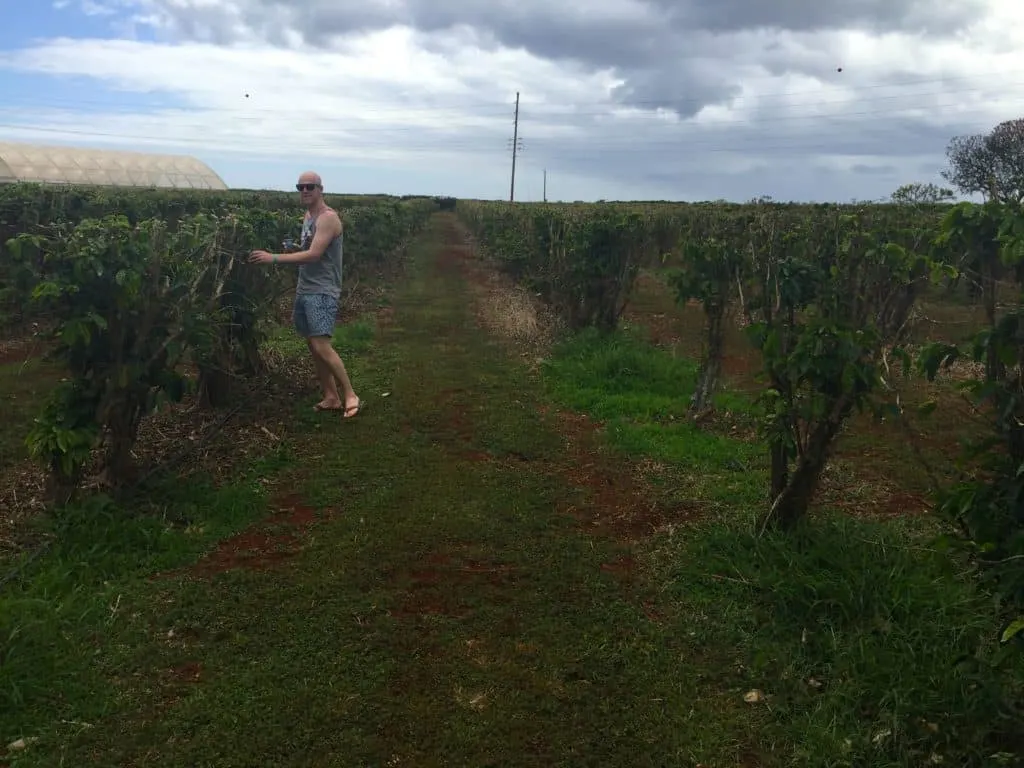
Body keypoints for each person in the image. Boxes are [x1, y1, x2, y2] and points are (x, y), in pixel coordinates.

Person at [248, 171, 362, 417]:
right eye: (300, 187)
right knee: (313, 344)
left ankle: (350, 393)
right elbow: (307, 249)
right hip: (306, 287)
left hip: (322, 290)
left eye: (310, 186)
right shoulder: (308, 216)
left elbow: (314, 255)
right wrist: (293, 249)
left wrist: (274, 258)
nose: (305, 191)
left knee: (321, 344)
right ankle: (331, 396)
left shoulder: (328, 218)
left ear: (321, 189)